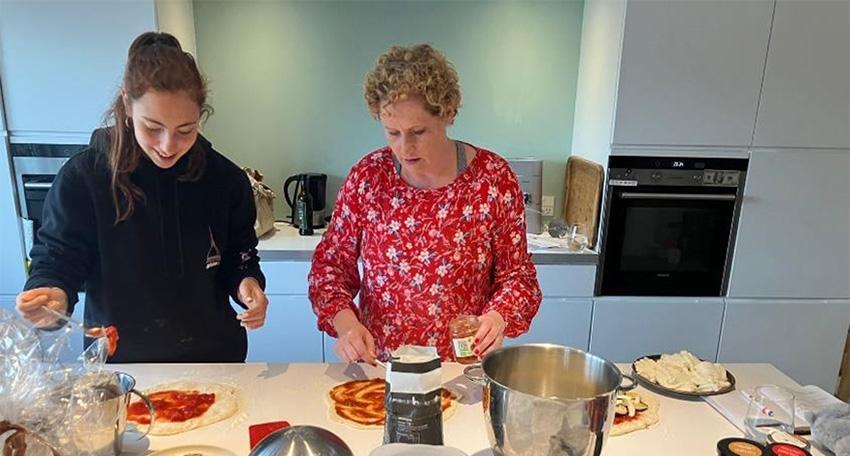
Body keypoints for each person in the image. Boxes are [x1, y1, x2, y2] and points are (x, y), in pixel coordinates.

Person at [16, 32, 267, 363]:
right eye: (152, 127)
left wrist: (247, 283)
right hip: (121, 362)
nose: (168, 146)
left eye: (185, 130)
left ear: (200, 117)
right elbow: (59, 258)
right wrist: (52, 292)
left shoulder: (225, 180)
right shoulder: (84, 178)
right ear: (126, 104)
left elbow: (239, 255)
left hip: (213, 360)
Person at [308, 44, 541, 364]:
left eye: (418, 132)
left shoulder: (492, 179)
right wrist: (347, 326)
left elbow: (517, 277)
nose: (405, 148)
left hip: (460, 369)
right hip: (382, 367)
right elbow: (330, 268)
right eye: (393, 133)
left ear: (448, 113)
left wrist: (498, 317)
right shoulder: (369, 178)